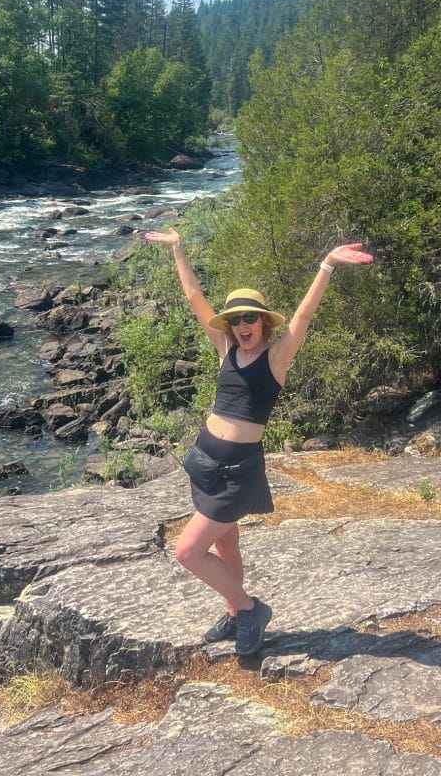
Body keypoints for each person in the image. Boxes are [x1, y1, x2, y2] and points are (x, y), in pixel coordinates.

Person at [144, 227, 373, 655]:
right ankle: (234, 611)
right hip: (205, 460)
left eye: (249, 318)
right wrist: (179, 250)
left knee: (188, 551)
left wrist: (326, 264)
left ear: (263, 321)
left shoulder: (276, 356)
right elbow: (195, 298)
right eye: (234, 319)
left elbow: (303, 317)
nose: (241, 325)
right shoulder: (226, 348)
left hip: (237, 471)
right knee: (224, 542)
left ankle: (250, 609)